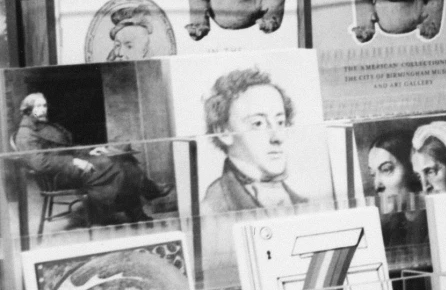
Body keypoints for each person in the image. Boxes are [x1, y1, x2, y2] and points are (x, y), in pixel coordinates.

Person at [11, 92, 170, 227]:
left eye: (44, 105)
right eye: (38, 106)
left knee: (121, 155)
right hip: (59, 175)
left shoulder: (43, 125)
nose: (43, 109)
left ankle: (140, 207)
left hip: (72, 165)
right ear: (28, 110)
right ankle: (143, 201)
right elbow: (40, 164)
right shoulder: (25, 135)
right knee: (113, 164)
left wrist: (90, 150)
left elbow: (68, 147)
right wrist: (73, 161)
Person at [197, 68, 302, 219]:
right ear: (224, 132)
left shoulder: (300, 201)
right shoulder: (214, 208)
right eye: (258, 123)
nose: (277, 137)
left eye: (280, 122)